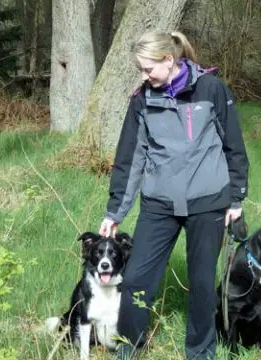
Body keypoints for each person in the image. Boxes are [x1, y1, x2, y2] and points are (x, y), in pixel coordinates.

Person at [98, 29, 249, 360]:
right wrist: (114, 214)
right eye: (140, 69)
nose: (143, 75)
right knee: (136, 279)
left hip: (208, 202)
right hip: (159, 205)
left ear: (169, 60)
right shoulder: (142, 100)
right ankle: (129, 347)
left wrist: (236, 198)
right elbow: (129, 159)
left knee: (200, 283)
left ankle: (200, 351)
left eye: (147, 68)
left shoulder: (211, 89)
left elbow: (233, 145)